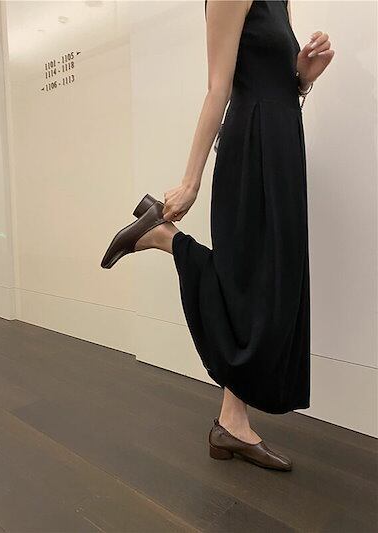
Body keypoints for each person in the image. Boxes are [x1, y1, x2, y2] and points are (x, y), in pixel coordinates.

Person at [101, 0, 334, 471]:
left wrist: (304, 76)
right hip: (253, 146)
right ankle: (165, 237)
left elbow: (277, 79)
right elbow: (218, 88)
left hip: (283, 141)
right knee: (254, 284)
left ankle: (231, 421)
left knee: (269, 284)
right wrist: (191, 181)